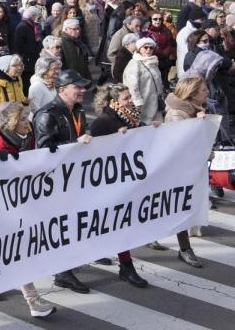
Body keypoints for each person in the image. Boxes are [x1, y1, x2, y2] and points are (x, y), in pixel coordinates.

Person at [0, 103, 58, 318]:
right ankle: (33, 301)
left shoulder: (27, 138)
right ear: (10, 122)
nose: (27, 122)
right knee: (19, 251)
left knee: (7, 250)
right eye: (22, 118)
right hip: (3, 206)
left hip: (25, 202)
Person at [86, 83, 153, 287]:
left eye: (129, 97)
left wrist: (154, 131)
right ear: (113, 102)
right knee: (118, 223)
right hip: (108, 182)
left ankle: (96, 252)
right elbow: (95, 156)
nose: (130, 101)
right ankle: (126, 267)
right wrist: (117, 140)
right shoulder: (102, 123)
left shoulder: (130, 118)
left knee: (111, 222)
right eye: (125, 98)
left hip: (126, 180)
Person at [32, 69, 94, 293]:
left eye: (83, 86)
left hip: (75, 178)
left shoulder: (77, 111)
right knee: (62, 226)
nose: (83, 90)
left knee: (74, 223)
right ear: (62, 89)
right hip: (56, 182)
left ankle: (66, 266)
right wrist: (75, 144)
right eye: (77, 86)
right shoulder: (47, 114)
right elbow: (44, 152)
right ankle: (62, 273)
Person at [161, 74, 210, 267]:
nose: (207, 93)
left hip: (192, 166)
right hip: (178, 170)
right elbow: (179, 143)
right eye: (204, 90)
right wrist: (199, 124)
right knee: (180, 206)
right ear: (193, 94)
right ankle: (185, 249)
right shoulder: (177, 114)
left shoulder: (195, 109)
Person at [123, 37, 164, 124]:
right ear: (139, 49)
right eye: (145, 47)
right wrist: (137, 102)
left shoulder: (153, 62)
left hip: (155, 101)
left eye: (151, 48)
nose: (148, 50)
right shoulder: (134, 63)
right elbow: (132, 85)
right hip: (142, 103)